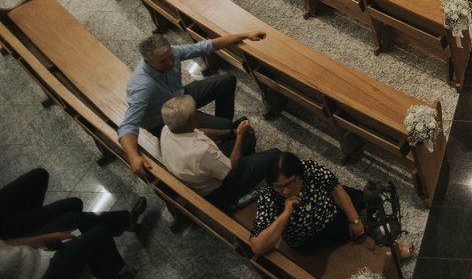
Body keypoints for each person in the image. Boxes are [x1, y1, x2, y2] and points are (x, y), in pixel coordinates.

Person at [117, 30, 266, 180]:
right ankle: (223, 135)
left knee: (227, 81)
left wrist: (244, 35)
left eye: (171, 57)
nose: (170, 63)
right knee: (225, 126)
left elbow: (205, 47)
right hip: (164, 121)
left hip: (180, 97)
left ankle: (221, 131)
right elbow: (128, 125)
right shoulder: (142, 87)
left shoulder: (171, 52)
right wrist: (134, 157)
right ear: (148, 62)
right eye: (163, 62)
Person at [250, 152, 410, 256]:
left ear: (299, 175)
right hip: (314, 234)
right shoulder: (269, 196)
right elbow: (257, 246)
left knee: (370, 199)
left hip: (330, 205)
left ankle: (371, 228)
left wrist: (354, 220)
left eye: (290, 183)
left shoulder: (308, 168)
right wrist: (285, 214)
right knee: (364, 227)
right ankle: (392, 248)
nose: (285, 191)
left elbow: (335, 188)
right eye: (279, 186)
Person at [0, 168, 146, 279]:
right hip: (40, 272)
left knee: (73, 207)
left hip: (23, 248)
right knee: (91, 230)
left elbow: (6, 245)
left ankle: (127, 222)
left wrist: (45, 238)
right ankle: (115, 271)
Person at [160, 95, 281, 211]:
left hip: (200, 173)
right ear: (191, 119)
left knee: (248, 138)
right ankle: (241, 196)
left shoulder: (168, 129)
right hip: (218, 191)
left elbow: (200, 132)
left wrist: (233, 132)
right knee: (275, 154)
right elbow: (230, 171)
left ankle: (250, 169)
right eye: (195, 111)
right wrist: (240, 135)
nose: (197, 112)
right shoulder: (201, 151)